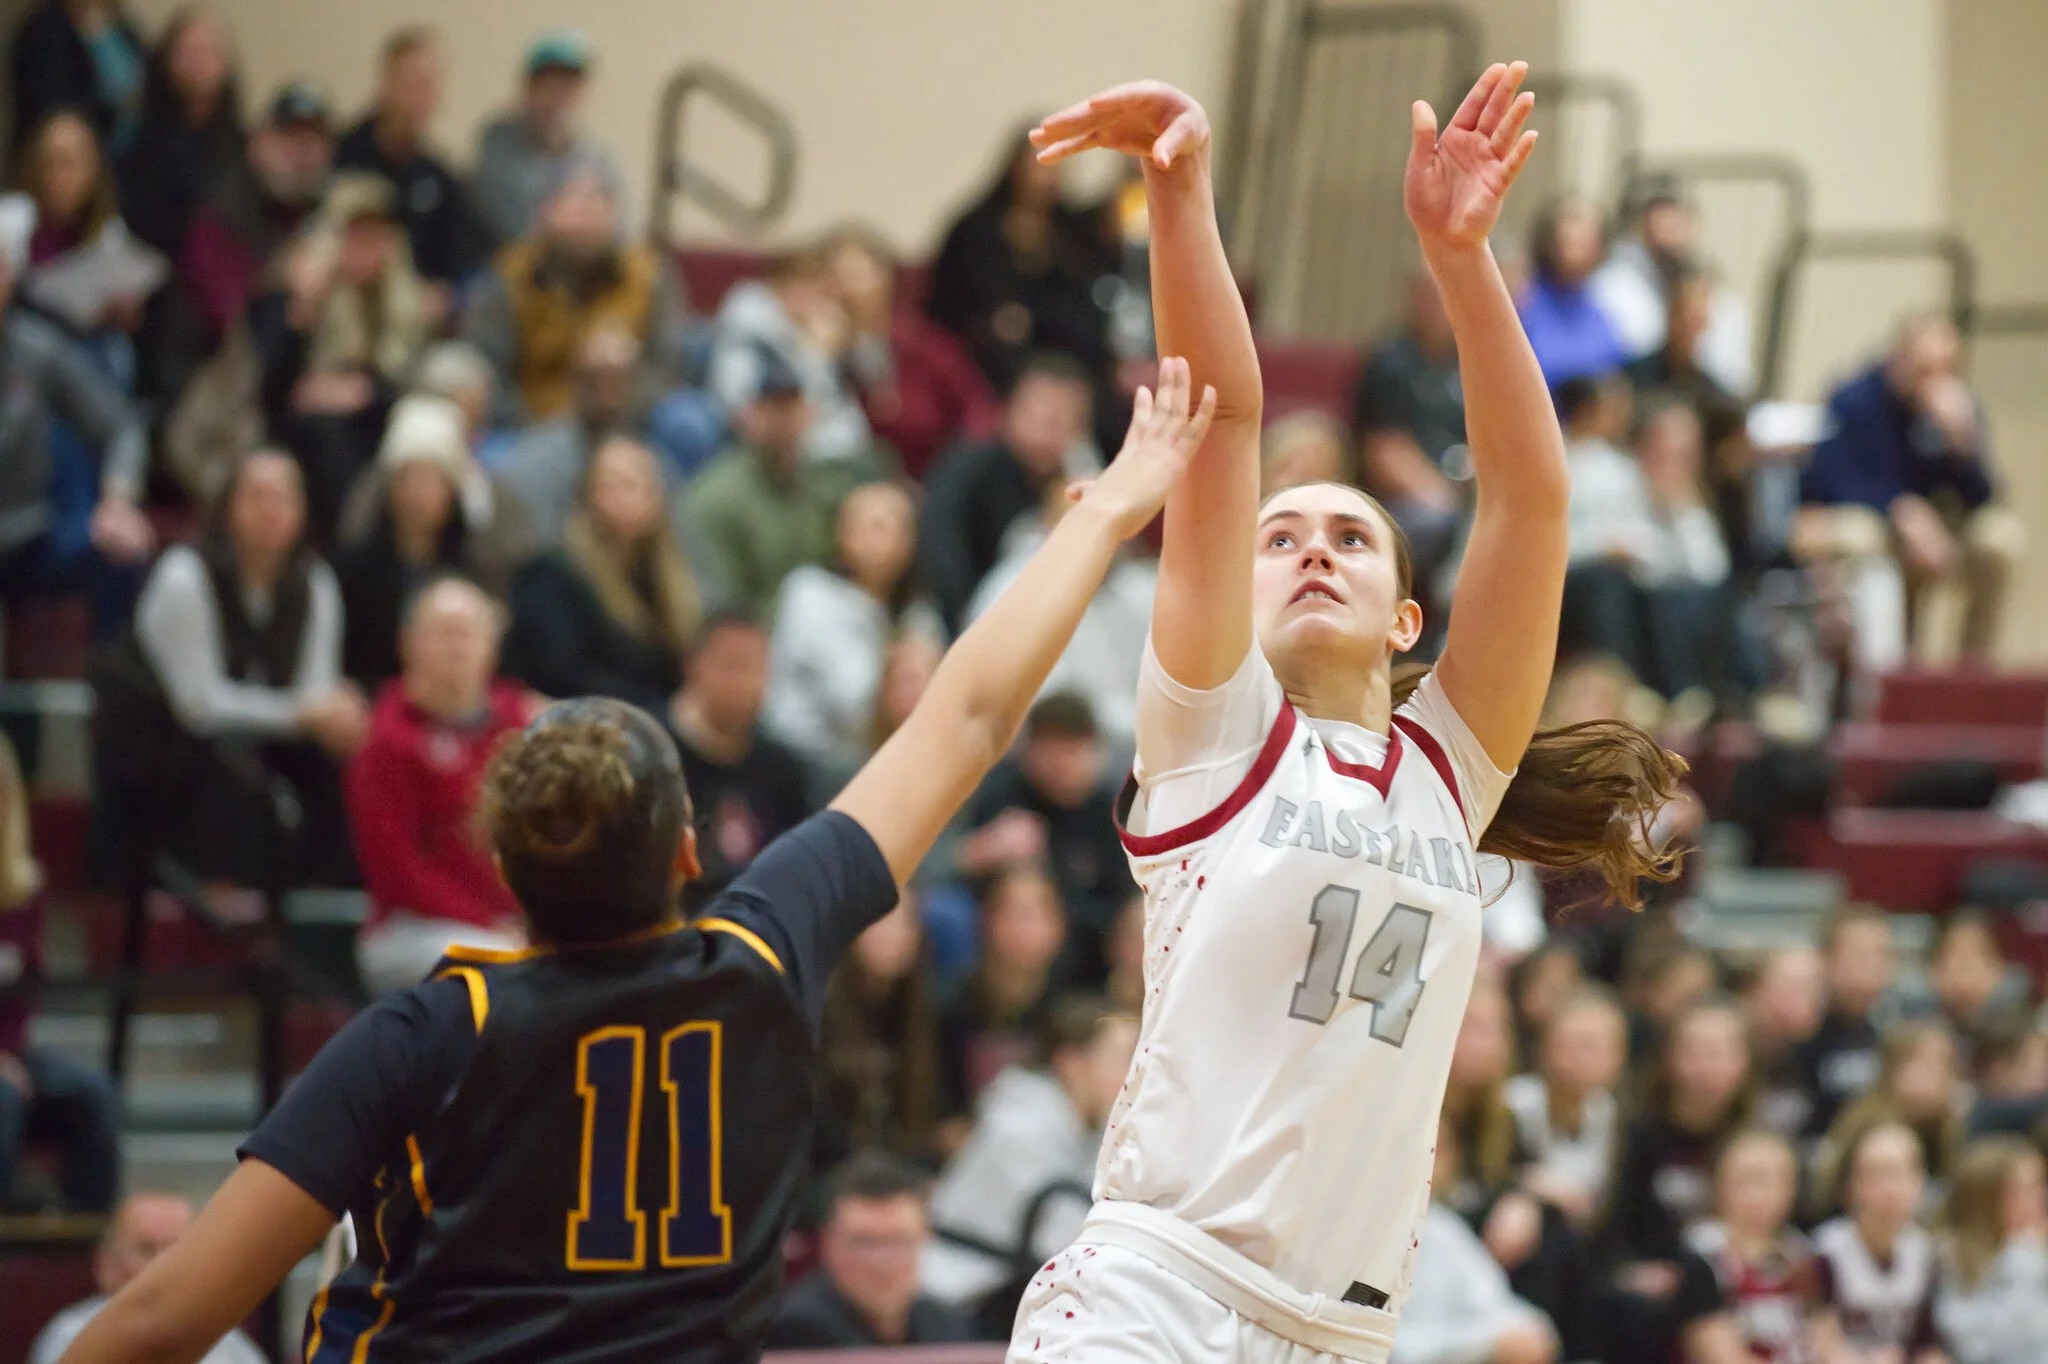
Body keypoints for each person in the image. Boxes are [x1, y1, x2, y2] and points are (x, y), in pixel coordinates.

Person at [46, 319, 1218, 1364]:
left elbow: (161, 1322)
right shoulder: (761, 957)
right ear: (688, 853)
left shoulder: (428, 1028)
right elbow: (966, 713)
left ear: (504, 872)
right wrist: (1113, 505)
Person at [1009, 67, 1685, 1364]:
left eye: (1352, 540)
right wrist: (1181, 187)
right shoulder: (1216, 735)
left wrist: (1462, 258)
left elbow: (1529, 507)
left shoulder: (1448, 770)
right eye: (1281, 538)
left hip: (1345, 1331)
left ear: (1405, 621)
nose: (1313, 549)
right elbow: (1225, 426)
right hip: (1157, 1293)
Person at [129, 449, 364, 892]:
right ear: (228, 506)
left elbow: (317, 689)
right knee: (230, 766)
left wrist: (331, 716)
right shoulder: (184, 576)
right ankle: (221, 900)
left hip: (270, 739)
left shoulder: (316, 582)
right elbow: (198, 705)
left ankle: (320, 906)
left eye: (283, 498)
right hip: (167, 744)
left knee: (344, 760)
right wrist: (302, 715)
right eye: (258, 496)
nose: (271, 510)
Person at [1793, 315, 2023, 667]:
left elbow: (1984, 498)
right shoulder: (1853, 401)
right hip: (1881, 529)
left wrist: (1962, 445)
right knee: (1860, 535)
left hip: (1938, 532)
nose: (1936, 379)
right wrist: (1899, 509)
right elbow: (1830, 482)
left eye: (1947, 368)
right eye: (1925, 368)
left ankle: (1973, 672)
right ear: (1899, 359)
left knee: (2001, 537)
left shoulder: (1958, 411)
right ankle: (1883, 676)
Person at [346, 577, 531, 996]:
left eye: (468, 633)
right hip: (412, 927)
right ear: (407, 643)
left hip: (513, 922)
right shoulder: (385, 739)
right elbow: (399, 871)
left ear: (492, 645)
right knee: (508, 968)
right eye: (443, 633)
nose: (457, 646)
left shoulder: (516, 721)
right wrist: (490, 924)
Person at [923, 997, 1138, 1314]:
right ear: (1072, 1063)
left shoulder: (1096, 1123)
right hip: (961, 1292)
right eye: (1123, 1058)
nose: (1135, 1073)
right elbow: (1063, 1244)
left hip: (1016, 1287)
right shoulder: (1020, 1129)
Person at [253, 173, 430, 540]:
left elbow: (408, 378)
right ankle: (349, 541)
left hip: (373, 418)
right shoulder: (296, 287)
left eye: (377, 237)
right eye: (356, 235)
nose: (366, 248)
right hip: (297, 428)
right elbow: (271, 389)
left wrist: (360, 391)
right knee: (326, 430)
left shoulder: (401, 300)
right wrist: (300, 314)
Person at [462, 156, 689, 426]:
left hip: (630, 418)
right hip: (531, 421)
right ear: (545, 211)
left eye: (599, 199)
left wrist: (620, 384)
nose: (587, 211)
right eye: (574, 199)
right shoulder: (510, 276)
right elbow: (484, 371)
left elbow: (669, 369)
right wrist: (543, 418)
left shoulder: (650, 275)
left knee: (686, 420)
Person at [331, 394, 534, 692]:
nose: (418, 494)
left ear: (452, 491)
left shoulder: (477, 569)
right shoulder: (353, 569)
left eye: (431, 480)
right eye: (408, 479)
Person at [0, 247, 153, 631]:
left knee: (121, 550)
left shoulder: (38, 350)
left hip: (29, 534)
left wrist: (117, 499)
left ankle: (113, 685)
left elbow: (121, 425)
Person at [0, 732, 120, 1215]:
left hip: (8, 1054)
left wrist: (5, 1053)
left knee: (90, 1092)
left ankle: (88, 1249)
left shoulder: (21, 891)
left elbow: (25, 991)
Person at [762, 479, 943, 789]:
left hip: (880, 764)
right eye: (877, 526)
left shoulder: (917, 611)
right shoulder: (809, 593)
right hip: (806, 764)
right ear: (844, 534)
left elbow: (937, 698)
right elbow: (854, 702)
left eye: (901, 529)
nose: (891, 539)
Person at [502, 434, 699, 714]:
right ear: (587, 495)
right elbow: (563, 676)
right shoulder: (553, 575)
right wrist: (659, 709)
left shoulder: (665, 582)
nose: (620, 497)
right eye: (608, 485)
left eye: (632, 485)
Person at [948, 692, 1134, 980]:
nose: (1065, 764)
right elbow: (955, 864)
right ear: (1030, 751)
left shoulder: (1106, 810)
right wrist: (988, 848)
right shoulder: (1002, 794)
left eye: (1075, 750)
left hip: (1087, 944)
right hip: (1000, 938)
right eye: (1054, 750)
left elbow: (1122, 895)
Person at [681, 352, 879, 616]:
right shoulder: (717, 497)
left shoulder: (823, 485)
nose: (784, 421)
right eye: (773, 408)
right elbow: (718, 602)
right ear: (748, 415)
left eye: (792, 407)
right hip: (750, 636)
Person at [925, 125, 1114, 401]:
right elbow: (947, 302)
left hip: (1066, 354)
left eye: (1058, 166)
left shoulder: (1074, 230)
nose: (1048, 176)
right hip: (989, 356)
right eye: (1040, 164)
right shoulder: (975, 228)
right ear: (1015, 167)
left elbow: (1089, 293)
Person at [921, 350, 1097, 630]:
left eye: (1063, 421)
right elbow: (939, 545)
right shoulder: (971, 467)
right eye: (1041, 416)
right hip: (962, 617)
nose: (1048, 432)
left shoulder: (1077, 482)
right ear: (1010, 410)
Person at [826, 223, 1001, 480]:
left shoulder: (923, 343)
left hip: (934, 473)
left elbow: (977, 408)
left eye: (857, 274)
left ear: (885, 278)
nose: (848, 288)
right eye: (837, 277)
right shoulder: (818, 350)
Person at [664, 610, 811, 898]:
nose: (745, 683)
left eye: (757, 667)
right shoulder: (654, 754)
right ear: (693, 665)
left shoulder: (783, 769)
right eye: (731, 665)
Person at [764, 1152, 976, 1350]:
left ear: (924, 1238)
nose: (881, 1263)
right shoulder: (796, 1331)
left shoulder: (948, 1326)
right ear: (826, 1242)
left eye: (898, 1241)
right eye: (863, 1243)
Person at [1388, 1120, 1558, 1364]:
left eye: (1440, 1150)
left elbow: (1503, 1308)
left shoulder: (1443, 1227)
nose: (1431, 1161)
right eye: (1422, 1148)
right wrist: (1485, 1345)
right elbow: (1388, 1348)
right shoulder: (1366, 1237)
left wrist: (1523, 1335)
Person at [28, 1193, 264, 1364]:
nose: (162, 1265)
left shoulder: (231, 1344)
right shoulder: (71, 1337)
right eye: (146, 1249)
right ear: (106, 1263)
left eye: (175, 1249)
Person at [334, 28, 486, 293]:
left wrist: (444, 298)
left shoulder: (440, 178)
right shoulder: (341, 156)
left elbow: (461, 263)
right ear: (386, 84)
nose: (420, 98)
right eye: (412, 83)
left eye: (429, 85)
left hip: (415, 317)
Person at [11, 110, 156, 371]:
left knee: (116, 352)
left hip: (89, 346)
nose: (57, 177)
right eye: (48, 162)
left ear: (92, 170)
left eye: (68, 163)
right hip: (27, 352)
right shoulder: (11, 222)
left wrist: (121, 311)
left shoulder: (109, 234)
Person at [707, 245, 875, 464]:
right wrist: (814, 356)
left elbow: (874, 380)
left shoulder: (810, 332)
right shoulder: (749, 332)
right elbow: (740, 405)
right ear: (786, 286)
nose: (822, 305)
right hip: (765, 449)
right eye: (817, 292)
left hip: (829, 446)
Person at [1353, 269, 1467, 591]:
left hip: (1463, 496)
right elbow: (1384, 454)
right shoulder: (1390, 363)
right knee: (1439, 522)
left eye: (1448, 295)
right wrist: (1446, 498)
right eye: (1431, 294)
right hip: (1401, 503)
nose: (1439, 305)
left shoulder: (1467, 364)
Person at [815, 898, 944, 1172]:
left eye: (905, 922)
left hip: (899, 1179)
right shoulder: (817, 1013)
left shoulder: (923, 1014)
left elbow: (920, 1129)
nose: (894, 935)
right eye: (880, 921)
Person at [936, 863, 1068, 1130]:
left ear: (1059, 928)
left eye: (1037, 915)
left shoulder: (1066, 1005)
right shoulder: (949, 1007)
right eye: (1017, 914)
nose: (1026, 929)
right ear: (988, 921)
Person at [1686, 1130, 1827, 1364]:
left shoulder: (1801, 1253)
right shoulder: (1704, 1252)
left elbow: (1823, 1337)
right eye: (1747, 1180)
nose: (1757, 1195)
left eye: (1769, 1182)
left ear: (1790, 1190)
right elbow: (1718, 1354)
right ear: (1720, 1185)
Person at [1810, 1120, 1943, 1363]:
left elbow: (1929, 1344)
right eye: (1876, 1174)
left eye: (1898, 1174)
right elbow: (1821, 1344)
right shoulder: (1825, 1252)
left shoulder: (1924, 1250)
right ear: (1852, 1184)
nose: (1889, 1188)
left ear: (1919, 1181)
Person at [496, 323, 643, 542]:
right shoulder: (534, 461)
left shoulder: (648, 460)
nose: (607, 391)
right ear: (576, 381)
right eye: (597, 377)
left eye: (617, 378)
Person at [472, 30, 616, 246]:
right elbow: (509, 220)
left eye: (567, 87)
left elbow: (620, 230)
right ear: (528, 88)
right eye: (549, 85)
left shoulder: (597, 159)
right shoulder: (498, 144)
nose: (557, 98)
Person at [118, 6, 242, 258]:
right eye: (189, 52)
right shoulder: (140, 143)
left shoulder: (240, 143)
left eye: (209, 52)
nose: (199, 63)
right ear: (167, 60)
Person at [1504, 985, 1628, 1226]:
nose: (1578, 1058)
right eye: (1567, 1044)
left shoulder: (1614, 1117)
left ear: (1619, 1057)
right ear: (1544, 1048)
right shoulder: (1512, 1105)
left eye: (1591, 1046)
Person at [1930, 1137, 2048, 1364]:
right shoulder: (1951, 1256)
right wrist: (2024, 1256)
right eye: (2026, 1189)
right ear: (1987, 1199)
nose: (2039, 1199)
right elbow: (1975, 1347)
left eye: (2040, 1186)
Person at [1798, 905, 1894, 1140]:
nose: (1872, 966)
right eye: (1860, 955)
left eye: (1881, 954)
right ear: (1825, 961)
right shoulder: (1796, 1037)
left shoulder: (1895, 1035)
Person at [9, 0, 145, 158]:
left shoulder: (121, 27)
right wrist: (117, 106)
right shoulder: (45, 30)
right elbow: (52, 102)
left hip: (133, 153)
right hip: (73, 155)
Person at [1516, 197, 1628, 387]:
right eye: (1569, 240)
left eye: (1586, 240)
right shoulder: (1522, 302)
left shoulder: (1601, 316)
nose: (1576, 249)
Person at [1745, 946, 1827, 1140]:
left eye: (1817, 989)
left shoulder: (1815, 1048)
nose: (1813, 999)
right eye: (1797, 987)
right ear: (1756, 990)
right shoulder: (1733, 1049)